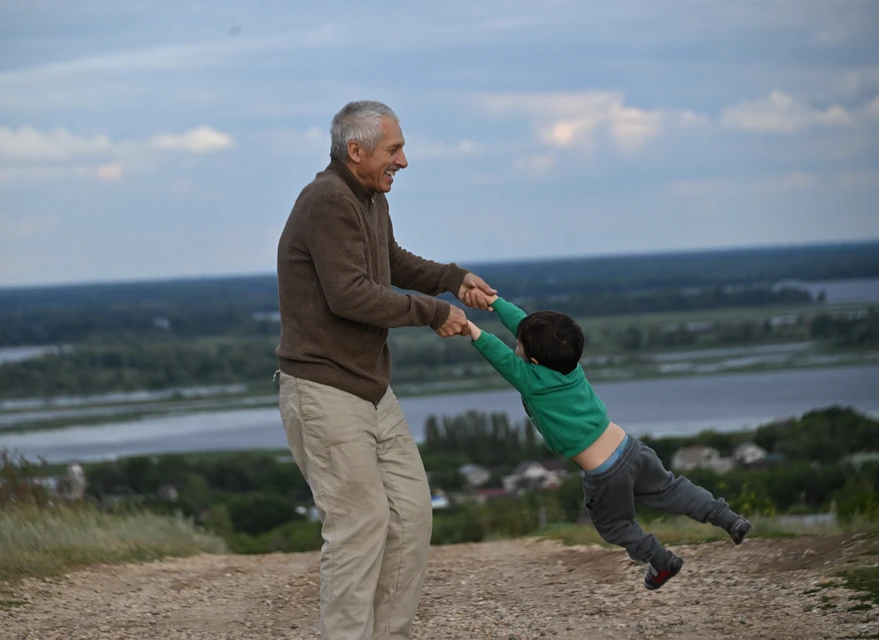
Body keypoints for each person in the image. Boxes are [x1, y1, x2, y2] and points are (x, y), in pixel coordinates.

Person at [274, 100, 496, 639]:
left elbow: (389, 262)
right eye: (394, 150)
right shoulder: (327, 200)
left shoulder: (368, 197)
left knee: (411, 516)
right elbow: (349, 295)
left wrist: (452, 277)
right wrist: (433, 312)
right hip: (323, 387)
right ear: (357, 151)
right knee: (360, 525)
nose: (404, 161)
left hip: (371, 388)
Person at [458, 290, 753, 590]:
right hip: (630, 447)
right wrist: (494, 303)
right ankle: (729, 519)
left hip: (605, 472)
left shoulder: (532, 381)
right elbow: (526, 327)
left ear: (533, 359)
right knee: (672, 489)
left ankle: (661, 560)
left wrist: (469, 328)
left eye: (518, 344)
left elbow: (497, 353)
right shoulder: (568, 363)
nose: (515, 344)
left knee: (615, 525)